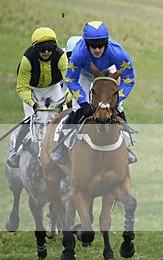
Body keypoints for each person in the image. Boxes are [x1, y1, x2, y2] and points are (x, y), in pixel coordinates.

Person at [50, 21, 137, 165]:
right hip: (84, 75)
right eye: (93, 46)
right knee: (78, 109)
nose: (97, 50)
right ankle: (61, 147)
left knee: (119, 108)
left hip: (106, 75)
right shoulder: (78, 53)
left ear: (106, 43)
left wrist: (116, 99)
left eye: (101, 45)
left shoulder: (118, 52)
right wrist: (83, 102)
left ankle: (126, 148)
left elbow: (129, 79)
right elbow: (71, 79)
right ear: (86, 43)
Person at [7, 27, 68, 168]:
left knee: (62, 117)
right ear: (35, 49)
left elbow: (71, 82)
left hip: (53, 88)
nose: (46, 52)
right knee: (30, 119)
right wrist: (33, 104)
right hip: (32, 89)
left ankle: (62, 148)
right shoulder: (27, 60)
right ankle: (16, 150)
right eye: (42, 49)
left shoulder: (61, 56)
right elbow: (22, 88)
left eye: (50, 48)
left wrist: (65, 99)